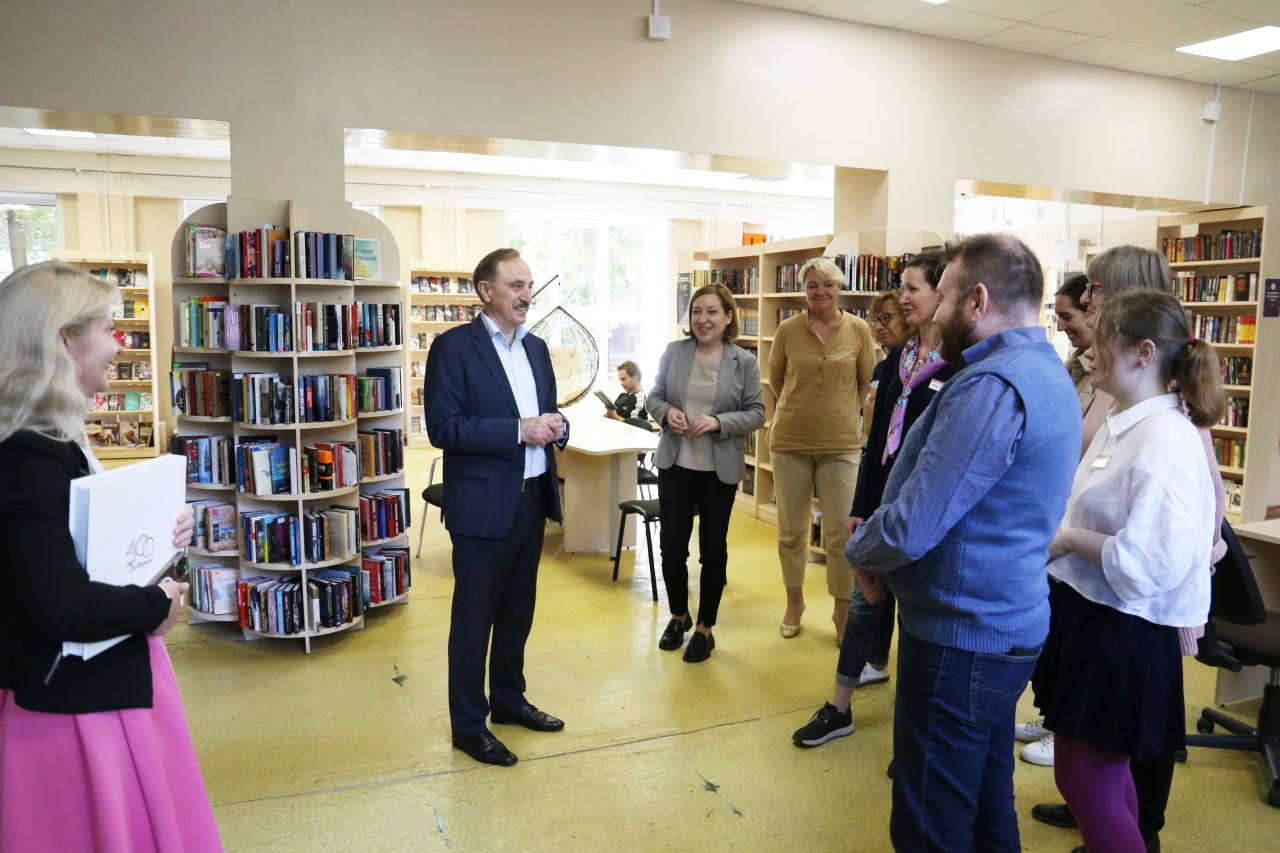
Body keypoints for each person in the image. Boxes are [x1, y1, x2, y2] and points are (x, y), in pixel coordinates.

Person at [846, 234, 1081, 850]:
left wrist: (861, 552)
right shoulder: (1043, 371)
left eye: (946, 297)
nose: (934, 311)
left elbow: (913, 523)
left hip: (962, 637)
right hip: (1000, 623)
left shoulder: (992, 387)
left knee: (932, 816)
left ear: (977, 300)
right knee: (984, 802)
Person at [0, 261, 221, 851]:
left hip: (92, 681)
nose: (120, 346)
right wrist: (155, 602)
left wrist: (157, 536)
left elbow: (66, 553)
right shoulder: (28, 455)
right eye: (107, 329)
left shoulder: (51, 438)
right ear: (63, 341)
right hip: (73, 704)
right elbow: (59, 604)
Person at [1026, 245, 1225, 853]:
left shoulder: (1164, 439)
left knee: (1086, 776)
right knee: (1099, 776)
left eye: (1103, 339)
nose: (1090, 351)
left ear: (1143, 353)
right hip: (1096, 616)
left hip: (1123, 629)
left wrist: (1068, 540)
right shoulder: (1128, 422)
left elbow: (1148, 565)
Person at [792, 250, 954, 747]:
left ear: (941, 293)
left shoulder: (961, 365)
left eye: (912, 289)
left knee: (917, 622)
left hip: (923, 514)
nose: (902, 298)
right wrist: (860, 509)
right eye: (902, 288)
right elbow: (876, 439)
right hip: (881, 507)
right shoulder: (898, 359)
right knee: (863, 607)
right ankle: (839, 708)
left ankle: (913, 733)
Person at [424, 247, 570, 767]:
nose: (527, 294)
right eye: (516, 285)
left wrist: (558, 426)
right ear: (486, 291)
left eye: (529, 285)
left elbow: (547, 412)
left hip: (531, 502)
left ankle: (508, 700)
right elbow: (444, 428)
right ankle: (468, 726)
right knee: (474, 620)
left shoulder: (537, 349)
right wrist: (517, 431)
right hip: (482, 507)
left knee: (517, 613)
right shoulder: (453, 348)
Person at [646, 283, 764, 663]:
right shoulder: (674, 352)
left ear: (728, 317)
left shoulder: (743, 361)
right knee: (671, 547)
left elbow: (757, 413)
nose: (703, 319)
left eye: (712, 312)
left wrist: (718, 422)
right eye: (697, 311)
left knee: (713, 550)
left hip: (718, 471)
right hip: (675, 465)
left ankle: (705, 629)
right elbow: (654, 396)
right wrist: (666, 412)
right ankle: (679, 616)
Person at [768, 257, 876, 642]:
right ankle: (794, 602)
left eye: (827, 284)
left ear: (839, 288)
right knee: (791, 531)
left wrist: (840, 414)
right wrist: (801, 409)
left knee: (840, 534)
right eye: (812, 285)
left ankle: (841, 611)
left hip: (841, 444)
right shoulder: (787, 330)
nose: (820, 292)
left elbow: (865, 382)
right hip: (789, 442)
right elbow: (776, 380)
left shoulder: (859, 330)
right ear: (803, 290)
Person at [1056, 273, 1094, 409]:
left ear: (1091, 313)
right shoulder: (1071, 366)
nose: (1059, 327)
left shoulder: (1106, 375)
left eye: (1067, 317)